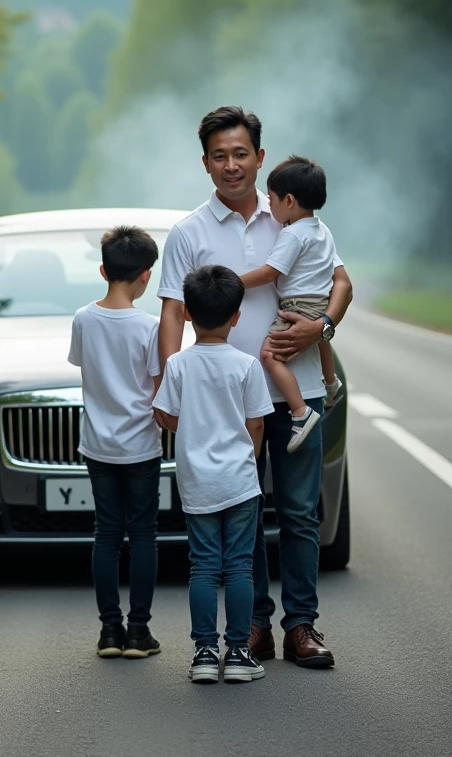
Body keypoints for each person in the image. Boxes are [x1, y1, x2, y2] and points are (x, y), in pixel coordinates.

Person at [158, 106, 353, 669]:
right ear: (205, 163)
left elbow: (341, 281)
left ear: (260, 158)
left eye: (241, 153)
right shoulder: (189, 233)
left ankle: (302, 626)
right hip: (221, 401)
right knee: (246, 508)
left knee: (297, 512)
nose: (231, 165)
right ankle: (254, 626)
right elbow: (172, 313)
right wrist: (170, 385)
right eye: (219, 156)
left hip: (298, 389)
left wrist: (324, 327)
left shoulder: (289, 215)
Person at [154, 265, 274, 685]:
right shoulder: (245, 365)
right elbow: (256, 422)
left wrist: (188, 428)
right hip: (240, 479)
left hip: (197, 480)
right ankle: (239, 653)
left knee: (203, 567)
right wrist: (249, 459)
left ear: (186, 313)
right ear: (236, 316)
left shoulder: (179, 366)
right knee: (240, 566)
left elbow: (165, 414)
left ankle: (204, 653)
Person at [68, 226, 162, 659]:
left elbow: (84, 365)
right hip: (141, 443)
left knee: (106, 534)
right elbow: (158, 383)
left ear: (103, 270)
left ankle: (110, 630)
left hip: (98, 445)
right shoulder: (151, 327)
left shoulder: (84, 318)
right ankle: (139, 633)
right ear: (146, 276)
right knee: (142, 533)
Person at [239, 156, 343, 454]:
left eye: (270, 199)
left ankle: (300, 411)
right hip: (319, 302)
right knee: (321, 336)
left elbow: (271, 272)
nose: (268, 205)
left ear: (288, 200)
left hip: (296, 304)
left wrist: (233, 281)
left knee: (270, 355)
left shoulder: (292, 234)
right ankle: (331, 382)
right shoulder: (321, 229)